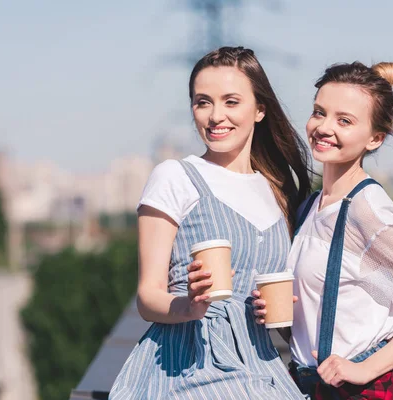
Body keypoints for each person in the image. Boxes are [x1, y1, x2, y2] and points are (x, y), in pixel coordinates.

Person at [109, 46, 311, 400]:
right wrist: (190, 305)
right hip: (189, 365)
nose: (216, 116)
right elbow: (147, 297)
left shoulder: (277, 190)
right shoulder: (175, 176)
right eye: (203, 102)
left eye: (231, 102)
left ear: (260, 109)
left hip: (261, 364)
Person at [253, 61, 393, 399]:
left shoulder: (368, 211)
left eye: (343, 120)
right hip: (309, 386)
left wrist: (364, 369)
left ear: (375, 138)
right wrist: (280, 315)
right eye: (319, 112)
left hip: (362, 390)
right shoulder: (310, 207)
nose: (323, 127)